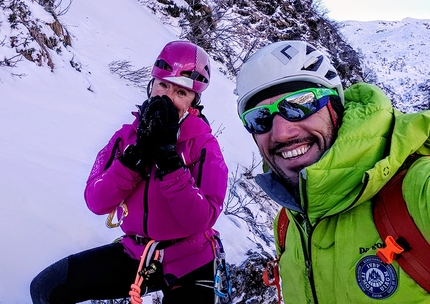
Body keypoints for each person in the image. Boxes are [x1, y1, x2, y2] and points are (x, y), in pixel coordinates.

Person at [30, 41, 229, 304]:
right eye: (163, 85)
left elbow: (200, 219)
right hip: (137, 252)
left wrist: (169, 161)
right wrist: (135, 158)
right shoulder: (126, 139)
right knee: (47, 289)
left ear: (194, 101)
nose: (167, 98)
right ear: (152, 84)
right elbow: (96, 201)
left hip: (191, 260)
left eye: (181, 93)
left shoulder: (204, 145)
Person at [234, 40, 430, 303]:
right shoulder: (288, 224)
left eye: (299, 104)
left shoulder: (418, 191)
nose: (281, 132)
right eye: (259, 118)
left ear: (335, 108)